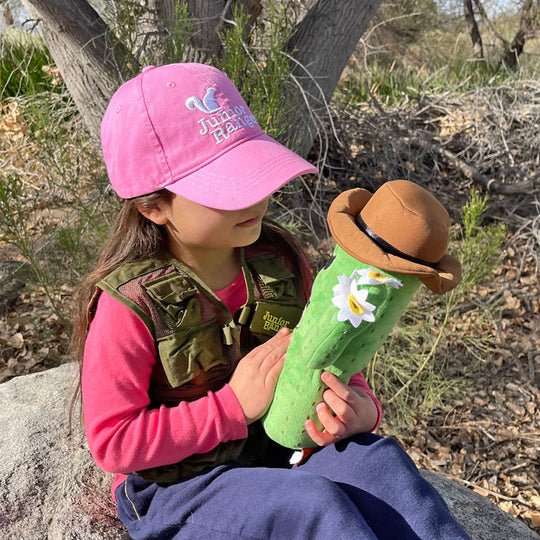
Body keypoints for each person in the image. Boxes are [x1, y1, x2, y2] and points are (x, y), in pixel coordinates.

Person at [73, 63, 470, 540]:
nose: (254, 197)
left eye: (254, 173)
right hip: (183, 485)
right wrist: (231, 406)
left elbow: (326, 346)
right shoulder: (130, 305)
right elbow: (114, 441)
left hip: (284, 445)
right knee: (311, 507)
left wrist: (357, 406)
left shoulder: (276, 260)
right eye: (225, 187)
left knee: (381, 466)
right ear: (152, 206)